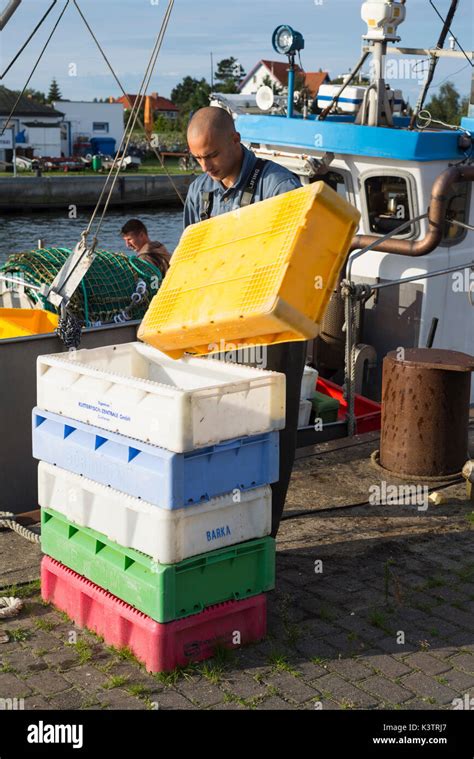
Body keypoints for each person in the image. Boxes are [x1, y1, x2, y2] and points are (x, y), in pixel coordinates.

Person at [184, 106, 307, 538]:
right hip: (224, 326)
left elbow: (295, 259)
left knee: (272, 425)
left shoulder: (279, 187)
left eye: (213, 155)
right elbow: (191, 262)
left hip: (277, 329)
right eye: (198, 159)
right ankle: (224, 522)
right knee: (225, 422)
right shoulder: (200, 191)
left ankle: (265, 530)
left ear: (236, 140)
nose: (206, 166)